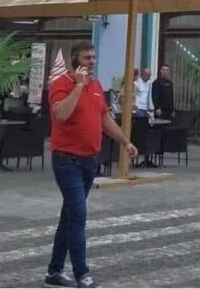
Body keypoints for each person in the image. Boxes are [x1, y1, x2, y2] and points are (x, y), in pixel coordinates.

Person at [44, 41, 138, 289]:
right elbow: (60, 114)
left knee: (69, 215)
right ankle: (82, 274)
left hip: (89, 161)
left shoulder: (96, 86)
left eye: (93, 57)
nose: (92, 62)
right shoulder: (61, 84)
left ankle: (54, 272)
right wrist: (78, 86)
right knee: (78, 215)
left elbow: (104, 118)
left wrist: (125, 142)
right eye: (87, 58)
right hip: (66, 160)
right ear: (75, 59)